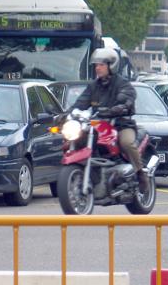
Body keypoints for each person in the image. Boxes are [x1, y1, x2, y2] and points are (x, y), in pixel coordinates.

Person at [62, 48, 148, 193]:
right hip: (100, 125)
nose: (97, 68)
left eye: (101, 65)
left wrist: (120, 107)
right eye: (96, 65)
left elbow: (128, 97)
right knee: (76, 140)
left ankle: (140, 174)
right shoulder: (93, 86)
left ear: (111, 65)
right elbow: (80, 103)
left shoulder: (122, 84)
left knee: (126, 143)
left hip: (121, 125)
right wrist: (66, 114)